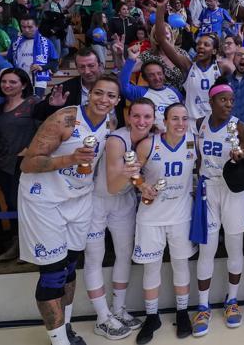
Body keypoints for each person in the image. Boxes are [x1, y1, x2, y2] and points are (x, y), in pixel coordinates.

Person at [17, 75, 121, 345]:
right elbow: (28, 164)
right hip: (44, 199)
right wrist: (69, 159)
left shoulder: (110, 123)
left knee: (68, 267)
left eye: (110, 96)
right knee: (52, 272)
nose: (104, 100)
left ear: (117, 101)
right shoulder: (65, 119)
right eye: (99, 93)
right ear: (89, 94)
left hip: (78, 198)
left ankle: (65, 329)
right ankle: (59, 341)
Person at [85, 98, 155, 339]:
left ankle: (118, 309)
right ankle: (102, 317)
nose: (142, 121)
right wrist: (135, 176)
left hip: (123, 202)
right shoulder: (117, 140)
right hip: (98, 200)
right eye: (136, 116)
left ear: (154, 119)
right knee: (95, 257)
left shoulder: (149, 139)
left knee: (124, 254)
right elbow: (113, 185)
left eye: (147, 117)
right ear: (128, 117)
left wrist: (142, 184)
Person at [132, 103, 197, 344]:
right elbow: (133, 172)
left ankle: (182, 313)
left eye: (184, 118)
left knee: (181, 265)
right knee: (151, 268)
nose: (180, 123)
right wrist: (141, 186)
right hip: (151, 217)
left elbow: (199, 170)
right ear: (165, 120)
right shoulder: (149, 144)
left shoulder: (192, 141)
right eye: (175, 118)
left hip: (181, 216)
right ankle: (152, 317)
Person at [191, 81, 244, 335]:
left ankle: (232, 301)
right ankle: (203, 306)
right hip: (208, 191)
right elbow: (197, 159)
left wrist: (241, 157)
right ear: (211, 100)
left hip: (233, 191)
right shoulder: (199, 124)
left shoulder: (239, 126)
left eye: (231, 100)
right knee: (207, 250)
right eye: (223, 100)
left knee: (234, 246)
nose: (228, 104)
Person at [0, 68, 40, 261]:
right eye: (4, 82)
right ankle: (17, 245)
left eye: (12, 82)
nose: (7, 85)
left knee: (25, 206)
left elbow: (46, 130)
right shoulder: (0, 107)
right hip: (3, 164)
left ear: (23, 84)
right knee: (11, 205)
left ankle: (28, 247)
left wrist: (30, 150)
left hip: (24, 166)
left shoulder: (33, 103)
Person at [118, 44, 184, 131]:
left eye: (159, 74)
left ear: (164, 75)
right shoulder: (140, 92)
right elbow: (123, 86)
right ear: (145, 78)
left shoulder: (174, 91)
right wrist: (131, 59)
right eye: (151, 75)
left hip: (174, 137)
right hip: (151, 138)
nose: (157, 78)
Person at [7, 16, 58, 97]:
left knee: (35, 105)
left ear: (37, 26)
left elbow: (54, 63)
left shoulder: (47, 42)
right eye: (23, 27)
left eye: (30, 27)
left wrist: (42, 67)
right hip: (19, 79)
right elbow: (9, 60)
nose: (26, 30)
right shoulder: (15, 42)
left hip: (38, 80)